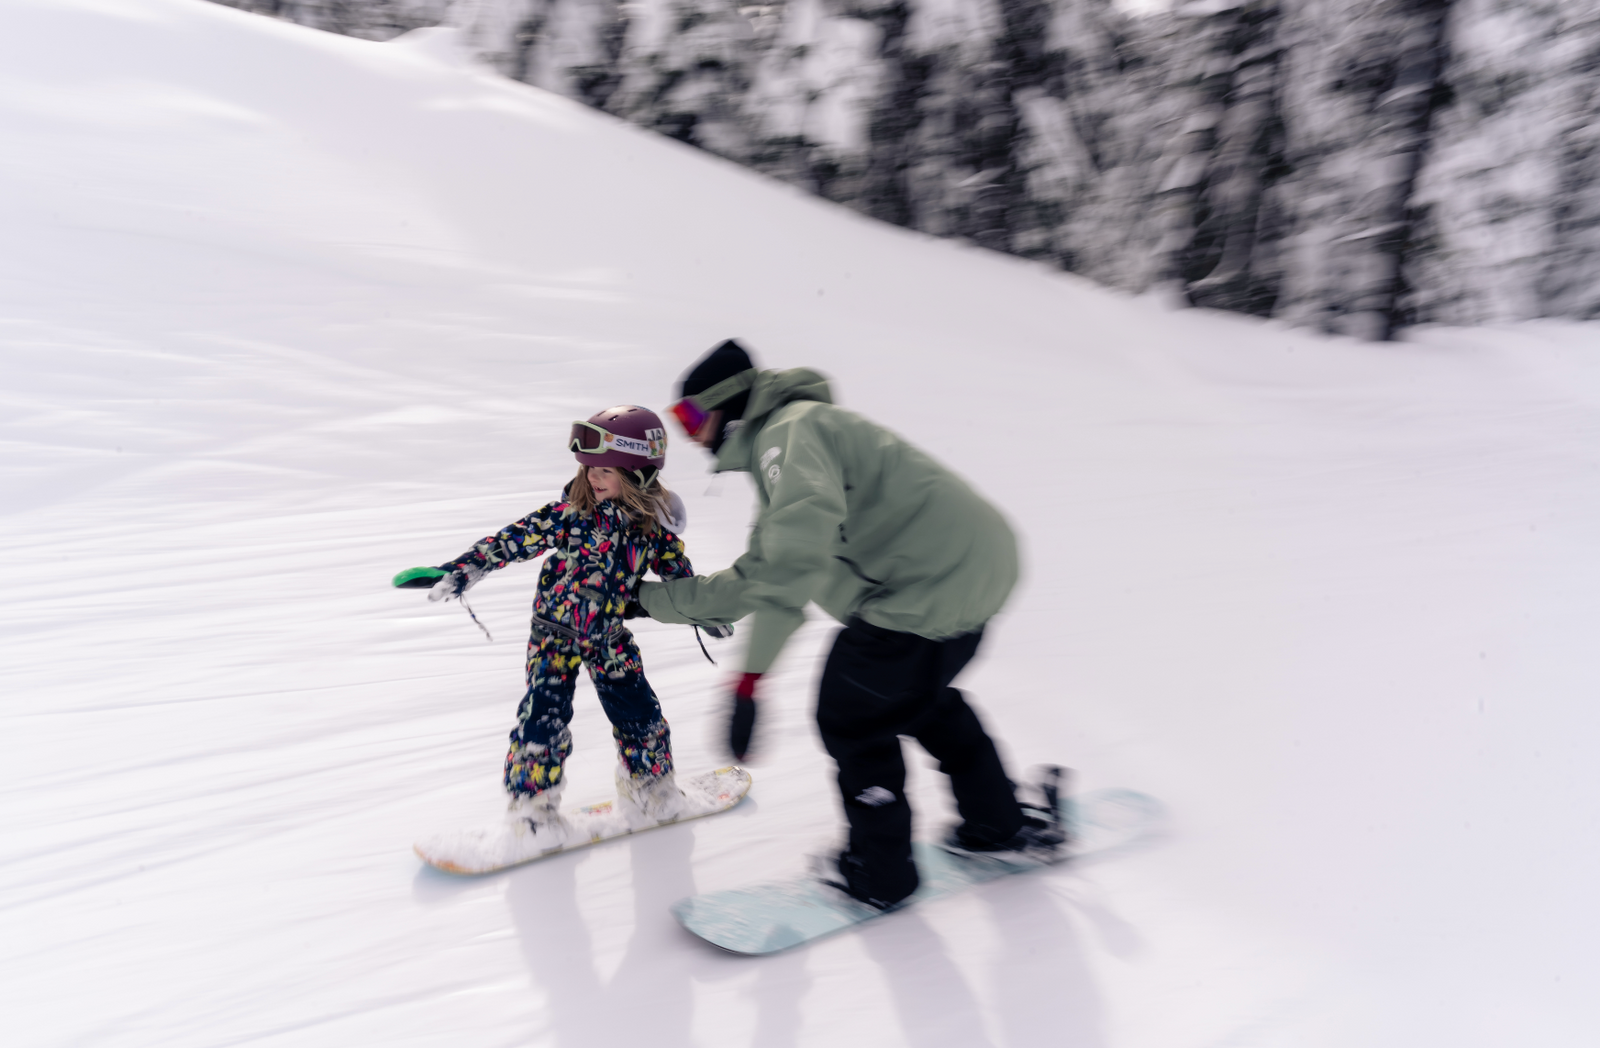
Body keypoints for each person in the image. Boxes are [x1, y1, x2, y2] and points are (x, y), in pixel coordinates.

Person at [635, 340, 1061, 910]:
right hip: (976, 571)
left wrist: (750, 681)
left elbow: (790, 566)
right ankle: (996, 822)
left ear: (730, 405)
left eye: (692, 416)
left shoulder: (787, 434)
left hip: (926, 588)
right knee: (919, 698)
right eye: (678, 421)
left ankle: (880, 874)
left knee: (852, 716)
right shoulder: (799, 439)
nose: (689, 435)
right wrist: (648, 602)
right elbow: (762, 577)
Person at [397, 405, 702, 835]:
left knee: (640, 714)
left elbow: (680, 580)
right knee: (543, 719)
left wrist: (705, 611)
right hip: (553, 638)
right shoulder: (570, 516)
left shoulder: (653, 531)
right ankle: (532, 807)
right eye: (588, 467)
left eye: (606, 470)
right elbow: (511, 540)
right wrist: (463, 569)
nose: (593, 477)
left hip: (609, 638)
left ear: (638, 473)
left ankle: (650, 786)